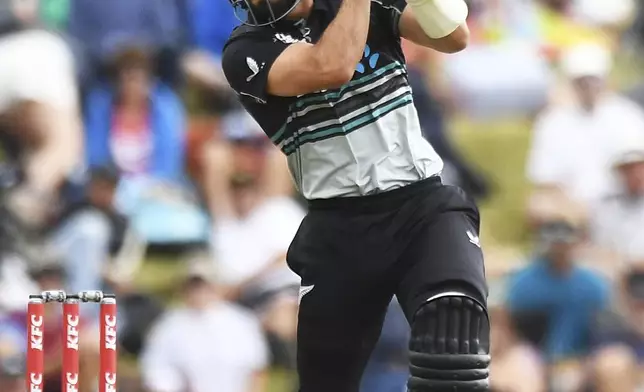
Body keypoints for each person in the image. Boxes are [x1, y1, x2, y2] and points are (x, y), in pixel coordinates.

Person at [222, 0, 489, 391]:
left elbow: (453, 36)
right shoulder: (245, 49)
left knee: (453, 324)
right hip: (339, 225)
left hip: (422, 206)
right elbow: (332, 66)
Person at [0, 0, 82, 228]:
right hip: (33, 51)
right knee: (62, 146)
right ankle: (21, 209)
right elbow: (23, 9)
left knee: (29, 151)